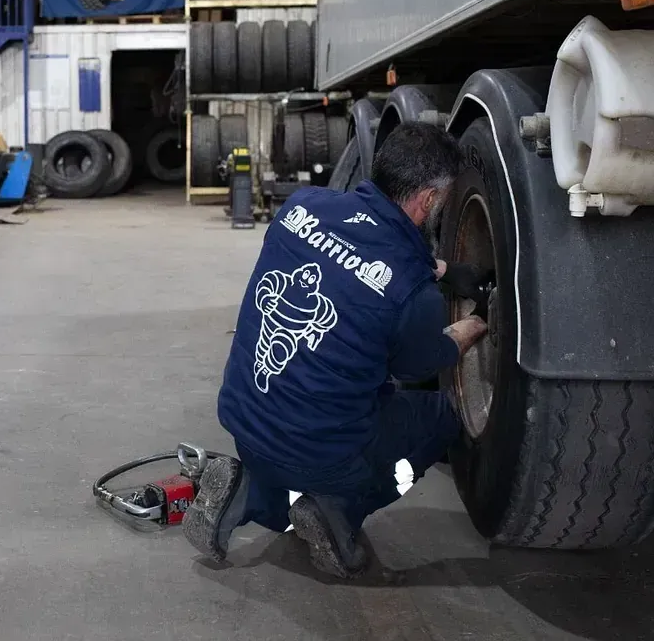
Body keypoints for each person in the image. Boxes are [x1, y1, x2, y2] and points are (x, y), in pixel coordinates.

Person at [182, 121, 490, 579]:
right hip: (320, 451)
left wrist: (439, 270)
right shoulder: (412, 296)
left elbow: (357, 254)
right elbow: (422, 362)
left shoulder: (303, 206)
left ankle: (246, 491)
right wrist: (477, 325)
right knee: (441, 417)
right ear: (430, 199)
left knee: (327, 404)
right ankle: (339, 509)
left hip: (243, 421)